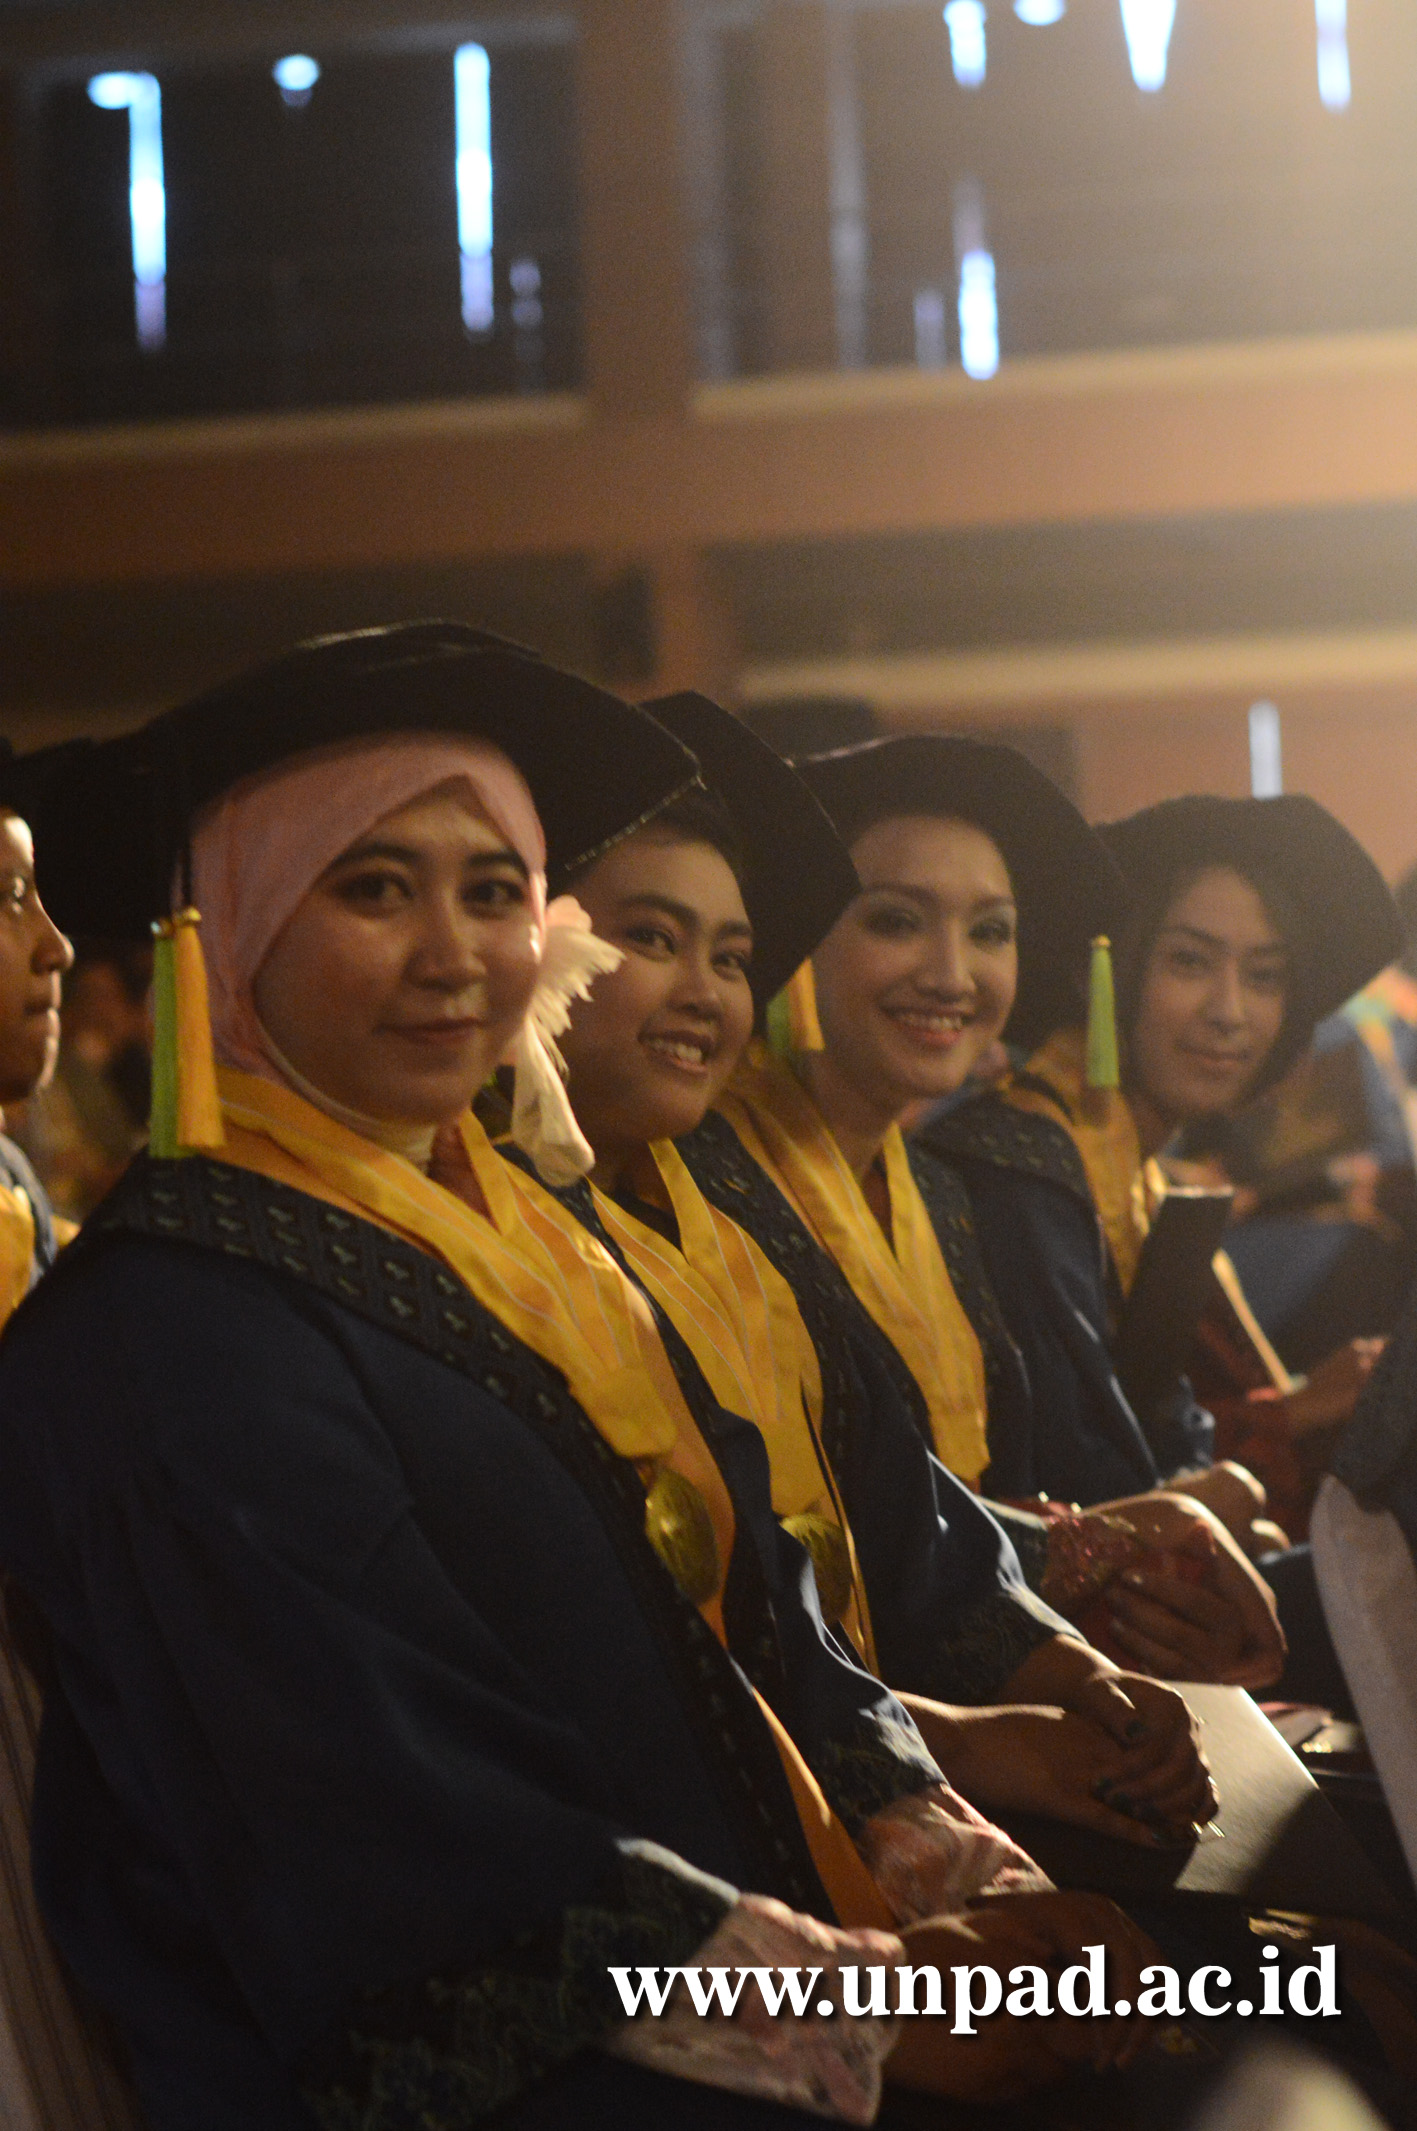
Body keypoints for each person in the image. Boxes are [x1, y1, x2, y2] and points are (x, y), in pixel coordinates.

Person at [0, 626, 1155, 2131]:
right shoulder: (171, 1325)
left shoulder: (540, 1237)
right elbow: (377, 1826)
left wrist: (948, 1858)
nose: (454, 955)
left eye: (494, 893)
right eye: (373, 887)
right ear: (227, 926)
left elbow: (758, 1615)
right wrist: (858, 2011)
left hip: (761, 1965)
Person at [549, 692, 1220, 1851]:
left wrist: (1066, 1665)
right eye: (898, 920)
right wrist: (962, 1734)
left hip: (881, 1731)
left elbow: (898, 1496)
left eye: (992, 931)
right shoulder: (708, 1165)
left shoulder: (926, 1191)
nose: (951, 972)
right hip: (754, 1807)